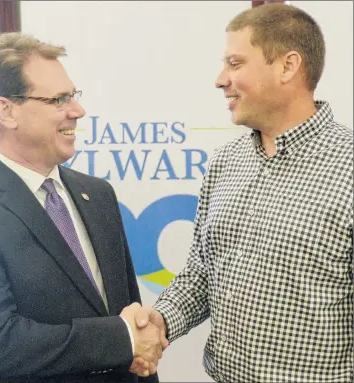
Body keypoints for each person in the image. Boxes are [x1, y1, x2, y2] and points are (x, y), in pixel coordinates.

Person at [133, 3, 353, 382]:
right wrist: (160, 320)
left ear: (288, 66)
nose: (220, 79)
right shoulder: (224, 162)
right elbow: (202, 273)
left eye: (235, 64)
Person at [0, 32, 167, 383]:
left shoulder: (98, 195)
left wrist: (139, 351)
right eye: (58, 100)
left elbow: (130, 314)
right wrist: (122, 339)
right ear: (6, 112)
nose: (77, 111)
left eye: (74, 96)